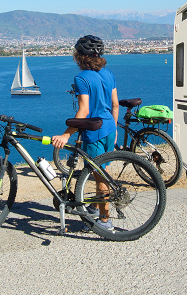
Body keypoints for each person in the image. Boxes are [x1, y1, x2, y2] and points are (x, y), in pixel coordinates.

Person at [52, 35, 119, 231]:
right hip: (109, 129)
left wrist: (65, 135)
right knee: (103, 171)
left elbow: (83, 111)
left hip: (94, 131)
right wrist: (114, 129)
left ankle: (105, 221)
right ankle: (97, 208)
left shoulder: (81, 78)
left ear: (80, 56)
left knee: (100, 178)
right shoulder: (109, 74)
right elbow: (115, 104)